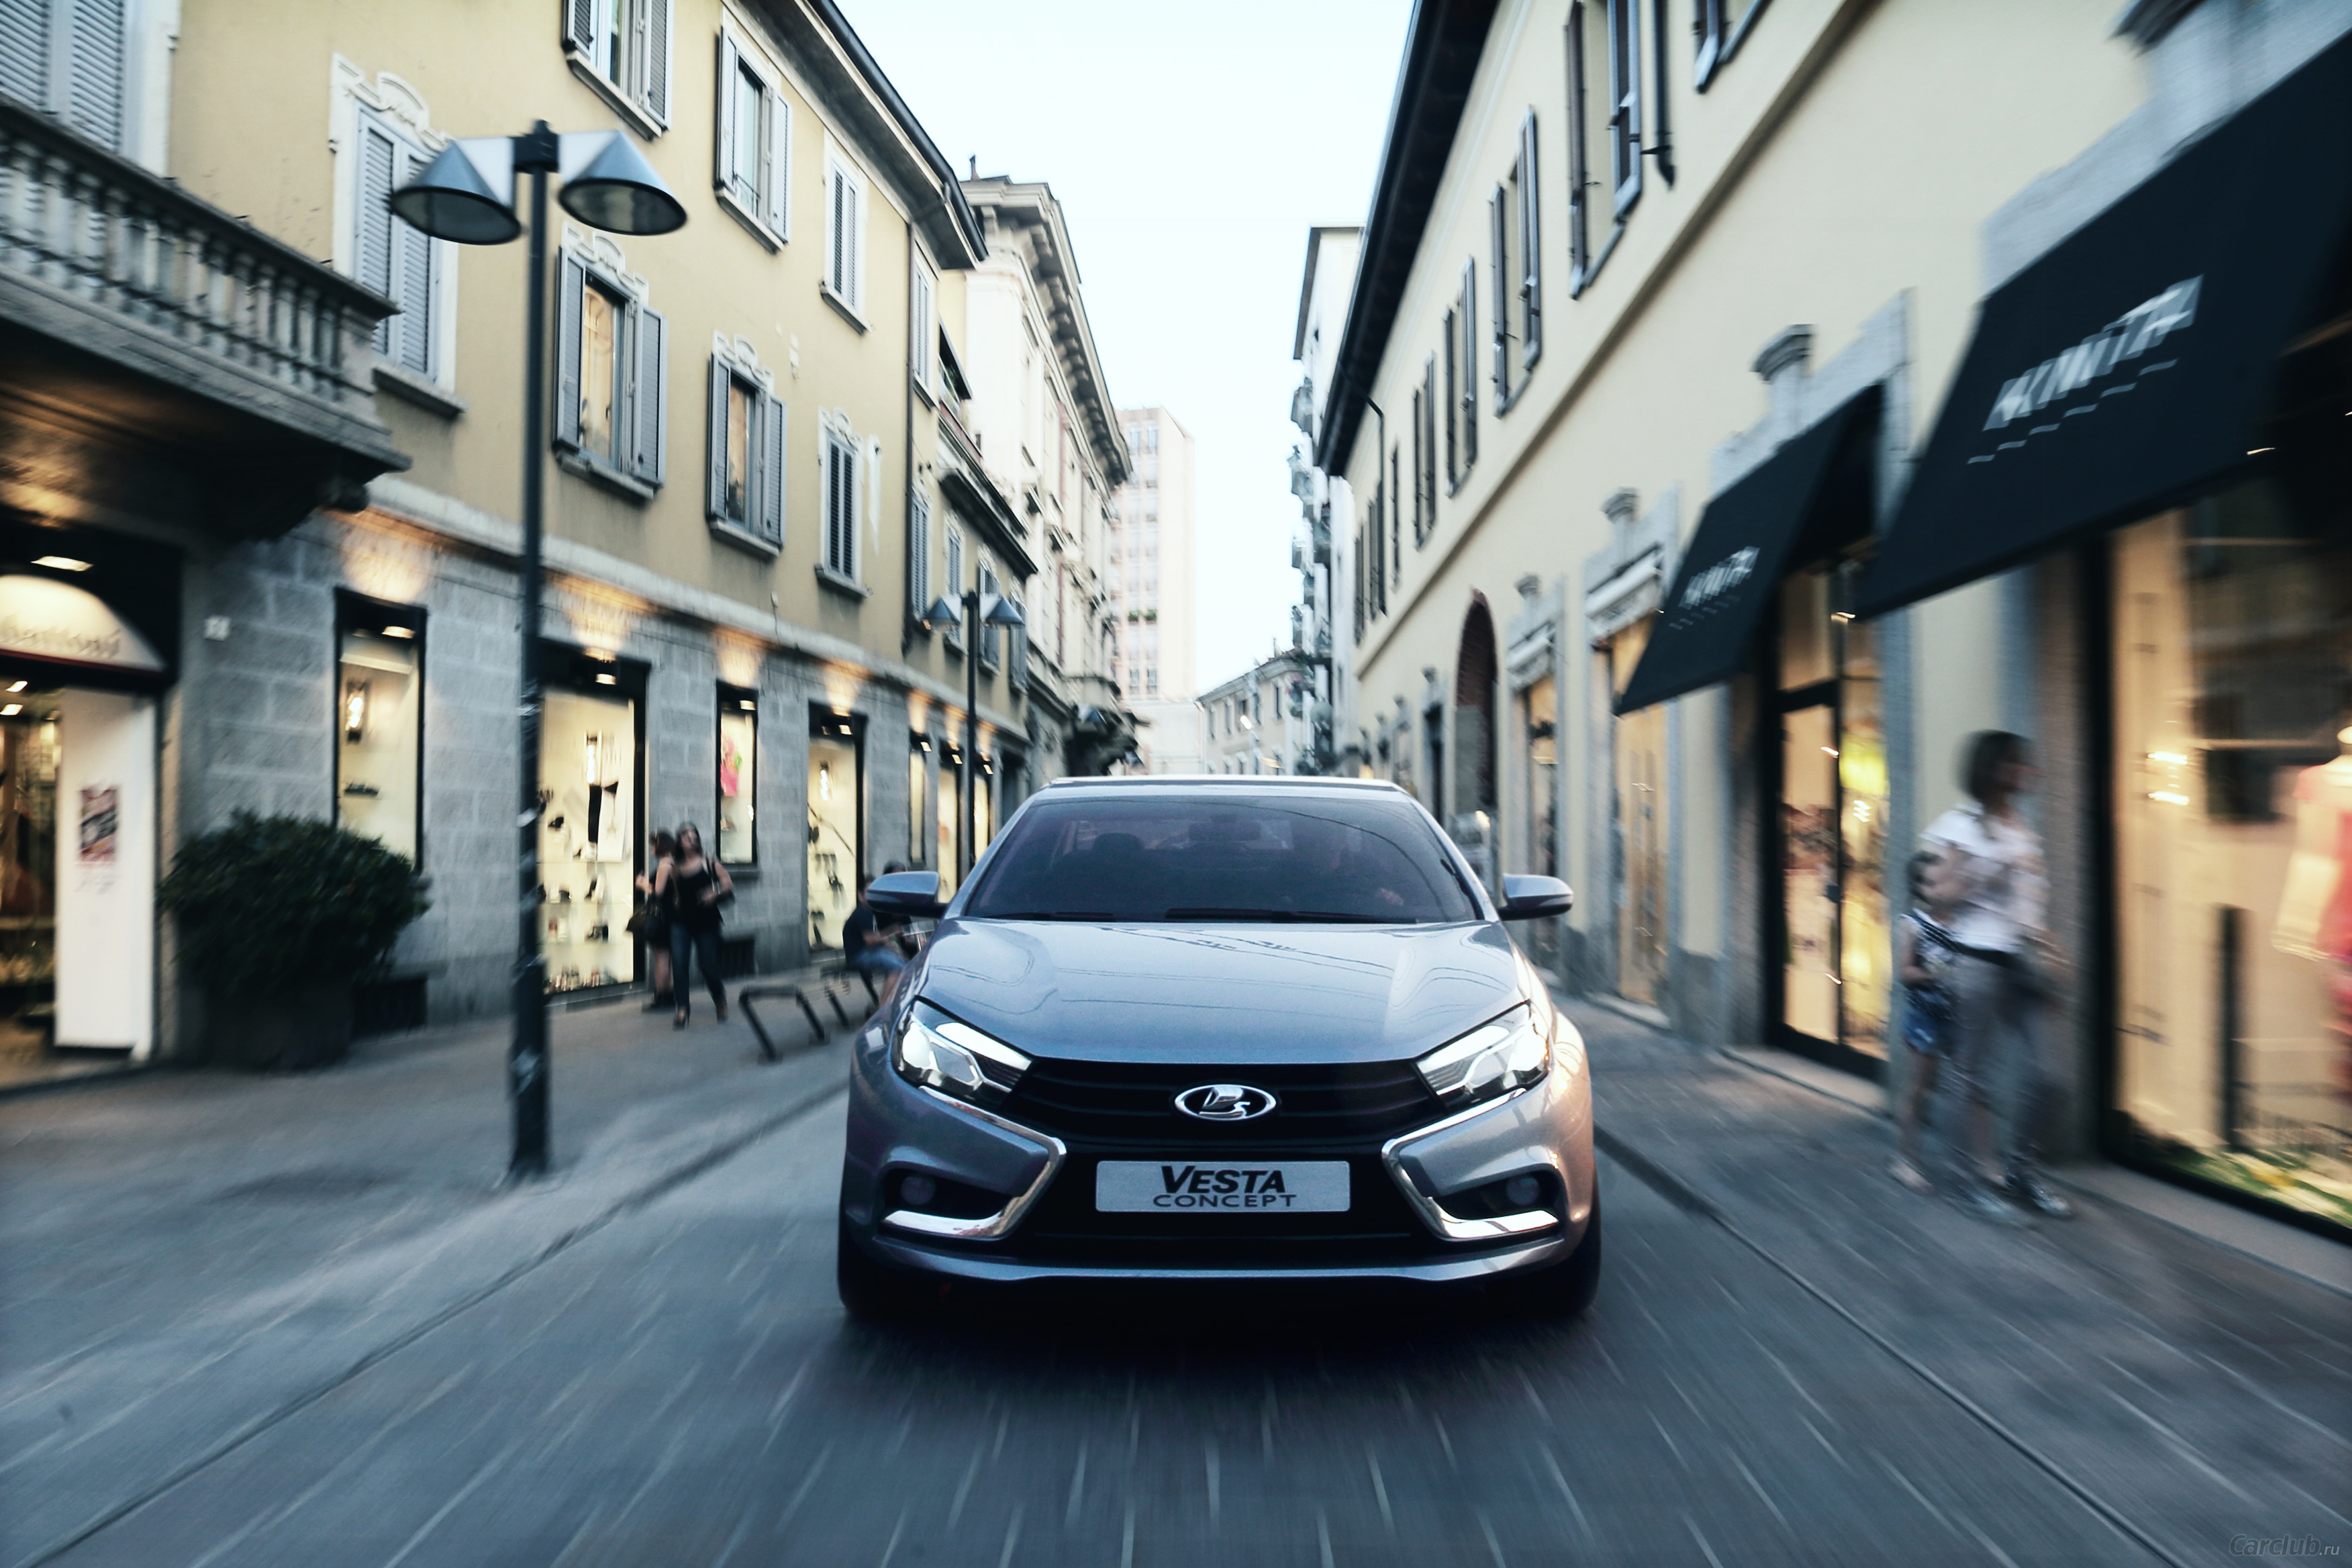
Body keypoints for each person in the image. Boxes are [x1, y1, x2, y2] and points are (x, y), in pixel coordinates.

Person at [1920, 732, 2073, 1222]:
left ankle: (2020, 1170)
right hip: (1978, 961)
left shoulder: (2023, 830)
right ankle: (1969, 1183)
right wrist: (1984, 870)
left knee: (2050, 1076)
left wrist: (2052, 948)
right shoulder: (1959, 826)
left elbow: (2029, 906)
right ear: (1994, 770)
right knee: (1969, 1077)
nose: (2029, 770)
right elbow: (1937, 896)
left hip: (2025, 963)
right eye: (2019, 763)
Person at [1889, 850, 1961, 1195]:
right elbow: (1904, 972)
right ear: (1919, 889)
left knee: (1972, 1089)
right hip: (1925, 1019)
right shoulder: (1912, 924)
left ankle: (1980, 1164)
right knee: (1920, 1090)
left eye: (1944, 881)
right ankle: (1906, 1160)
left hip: (1959, 1018)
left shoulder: (1963, 923)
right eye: (1931, 884)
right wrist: (1941, 974)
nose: (1940, 890)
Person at [654, 824, 732, 1029]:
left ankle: (719, 999)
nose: (692, 840)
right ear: (679, 841)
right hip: (681, 923)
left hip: (707, 922)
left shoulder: (709, 861)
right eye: (687, 837)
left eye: (694, 836)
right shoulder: (675, 866)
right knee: (679, 965)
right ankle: (682, 1009)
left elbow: (727, 883)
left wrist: (715, 892)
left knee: (707, 965)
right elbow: (667, 893)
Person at [839, 874, 912, 1013]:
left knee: (905, 963)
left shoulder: (870, 913)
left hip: (869, 952)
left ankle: (895, 1002)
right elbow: (871, 940)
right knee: (897, 968)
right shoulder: (861, 914)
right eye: (869, 893)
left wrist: (895, 949)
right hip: (859, 956)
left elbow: (879, 938)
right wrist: (889, 938)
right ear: (860, 895)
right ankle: (882, 1008)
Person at [634, 830, 677, 1010]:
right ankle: (671, 995)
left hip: (661, 916)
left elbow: (657, 892)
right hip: (673, 916)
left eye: (653, 845)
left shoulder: (664, 865)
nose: (651, 849)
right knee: (670, 958)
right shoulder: (675, 862)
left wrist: (643, 884)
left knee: (661, 957)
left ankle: (662, 997)